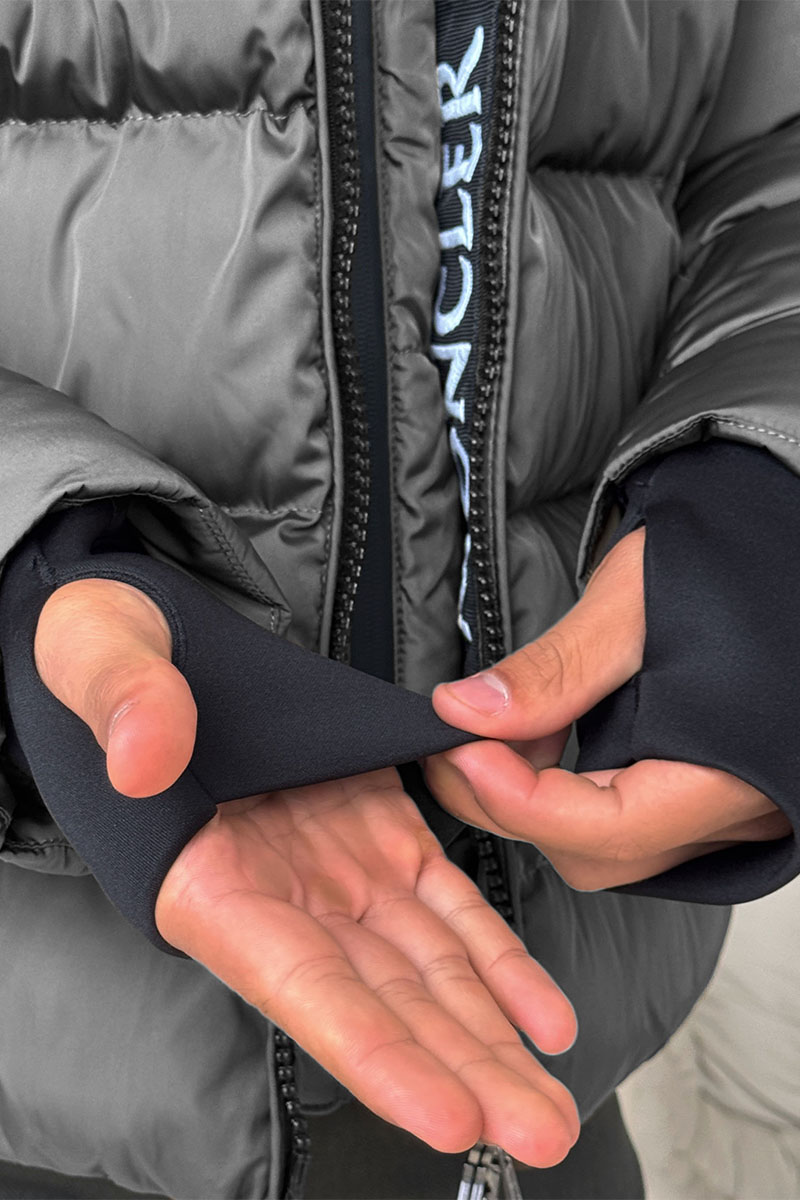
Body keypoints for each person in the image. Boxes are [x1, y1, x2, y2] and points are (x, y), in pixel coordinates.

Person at [0, 1, 797, 1197]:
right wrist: (33, 574)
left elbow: (769, 162)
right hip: (57, 1091)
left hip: (540, 1065)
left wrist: (756, 512)